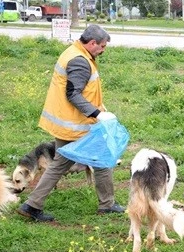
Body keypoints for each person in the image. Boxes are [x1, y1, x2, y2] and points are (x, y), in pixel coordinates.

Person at [17, 25, 124, 222]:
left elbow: (82, 90)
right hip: (77, 125)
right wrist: (96, 114)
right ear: (92, 43)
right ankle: (107, 205)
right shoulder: (80, 61)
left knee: (59, 164)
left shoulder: (73, 51)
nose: (103, 50)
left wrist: (99, 106)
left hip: (67, 124)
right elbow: (73, 94)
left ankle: (32, 205)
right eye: (102, 46)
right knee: (103, 159)